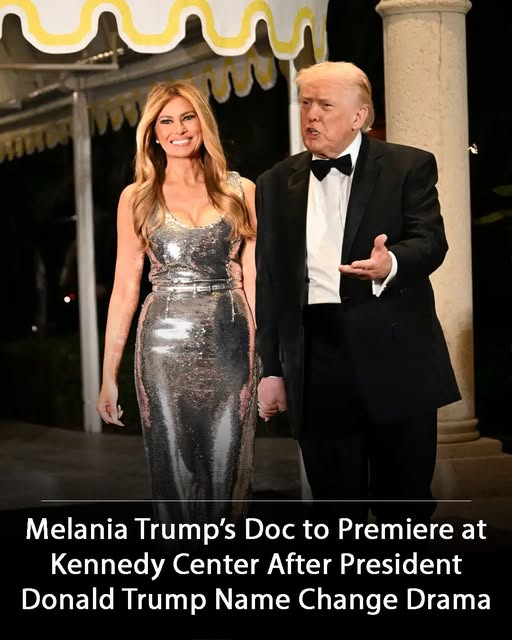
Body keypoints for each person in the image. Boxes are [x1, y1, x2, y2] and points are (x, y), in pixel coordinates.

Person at [255, 61, 461, 524]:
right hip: (316, 362)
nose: (312, 114)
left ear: (359, 115)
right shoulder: (275, 182)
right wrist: (271, 368)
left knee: (403, 505)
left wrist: (392, 263)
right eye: (306, 103)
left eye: (325, 105)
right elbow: (269, 280)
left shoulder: (408, 165)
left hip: (395, 357)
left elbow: (431, 241)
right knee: (333, 507)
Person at [96, 80, 258, 525]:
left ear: (203, 123)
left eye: (187, 118)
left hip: (230, 340)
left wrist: (266, 358)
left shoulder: (240, 189)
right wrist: (108, 376)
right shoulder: (137, 197)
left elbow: (254, 277)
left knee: (227, 465)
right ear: (153, 133)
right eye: (166, 121)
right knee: (173, 469)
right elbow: (125, 289)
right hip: (162, 348)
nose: (179, 129)